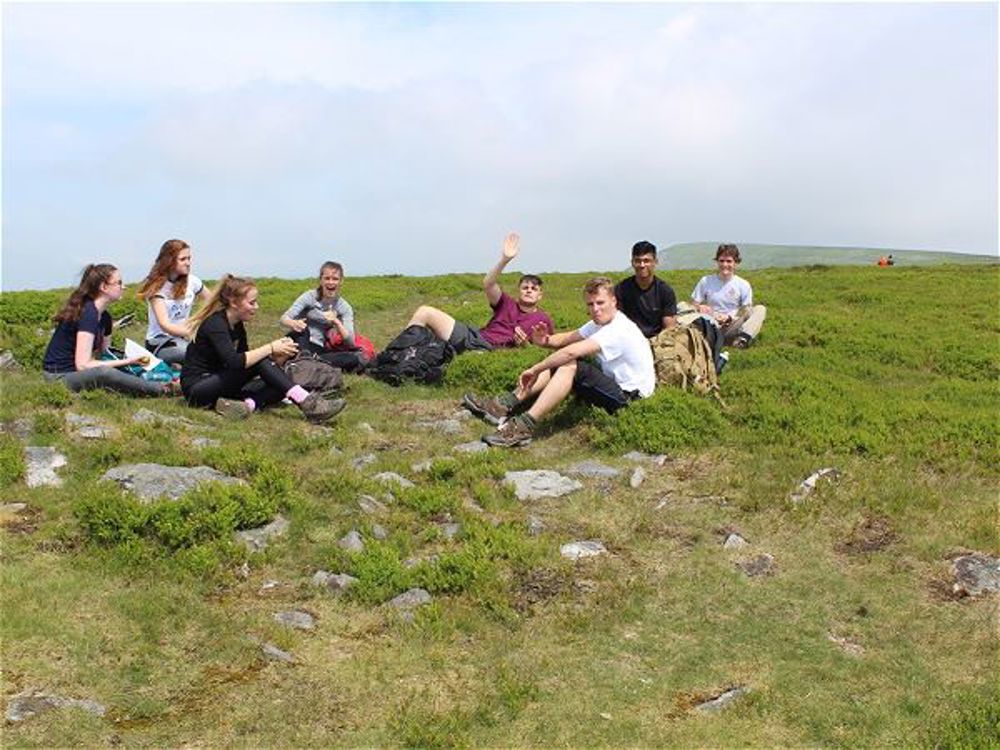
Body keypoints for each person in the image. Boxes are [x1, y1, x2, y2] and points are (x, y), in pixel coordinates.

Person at [463, 277, 655, 447]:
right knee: (559, 362)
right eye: (590, 304)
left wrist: (536, 368)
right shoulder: (599, 322)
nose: (595, 309)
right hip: (614, 386)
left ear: (614, 301)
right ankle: (502, 405)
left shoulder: (619, 328)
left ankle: (524, 426)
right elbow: (566, 339)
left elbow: (571, 352)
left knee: (569, 364)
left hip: (631, 399)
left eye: (600, 302)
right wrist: (544, 340)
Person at [181, 275, 346, 422]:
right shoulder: (215, 324)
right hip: (198, 389)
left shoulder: (237, 325)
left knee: (282, 384)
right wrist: (270, 348)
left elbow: (244, 359)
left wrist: (278, 357)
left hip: (219, 383)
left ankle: (247, 406)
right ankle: (308, 403)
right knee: (263, 362)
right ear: (233, 302)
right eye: (252, 302)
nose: (257, 307)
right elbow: (235, 362)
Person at [405, 232, 554, 353]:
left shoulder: (543, 319)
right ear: (519, 291)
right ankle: (396, 354)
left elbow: (546, 349)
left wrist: (525, 346)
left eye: (534, 289)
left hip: (491, 350)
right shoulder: (506, 303)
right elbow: (488, 284)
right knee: (425, 312)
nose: (529, 290)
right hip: (475, 336)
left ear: (540, 295)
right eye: (525, 287)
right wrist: (504, 260)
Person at [42, 264, 171, 396]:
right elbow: (82, 365)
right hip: (60, 376)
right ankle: (163, 390)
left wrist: (131, 359)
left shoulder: (105, 317)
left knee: (113, 370)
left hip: (78, 373)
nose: (123, 287)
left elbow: (105, 354)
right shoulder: (88, 314)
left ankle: (165, 380)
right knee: (105, 373)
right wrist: (128, 361)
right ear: (104, 287)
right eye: (119, 283)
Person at [279, 261, 367, 371]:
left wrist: (336, 322)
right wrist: (294, 323)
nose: (331, 282)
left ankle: (307, 362)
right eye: (327, 278)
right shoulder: (309, 297)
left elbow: (350, 342)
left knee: (352, 358)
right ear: (321, 280)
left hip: (318, 347)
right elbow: (283, 318)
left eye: (335, 279)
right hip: (299, 341)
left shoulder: (344, 307)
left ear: (341, 281)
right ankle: (308, 361)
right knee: (303, 329)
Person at [136, 239, 210, 365]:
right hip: (160, 342)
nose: (188, 263)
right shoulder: (157, 288)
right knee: (195, 354)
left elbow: (212, 302)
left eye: (189, 258)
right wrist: (195, 333)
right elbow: (166, 325)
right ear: (169, 261)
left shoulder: (192, 281)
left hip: (183, 338)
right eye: (183, 259)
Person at [690, 244, 766, 349]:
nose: (725, 265)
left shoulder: (743, 284)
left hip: (732, 326)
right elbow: (693, 305)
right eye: (721, 261)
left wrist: (729, 318)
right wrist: (700, 308)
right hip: (710, 325)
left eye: (729, 261)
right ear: (717, 262)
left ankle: (743, 339)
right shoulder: (706, 281)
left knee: (760, 309)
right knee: (681, 306)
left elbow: (746, 310)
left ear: (736, 263)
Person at [614, 240, 678, 338]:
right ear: (632, 263)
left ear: (655, 262)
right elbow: (615, 322)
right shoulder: (621, 289)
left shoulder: (665, 291)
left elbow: (669, 329)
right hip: (628, 340)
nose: (642, 265)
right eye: (638, 261)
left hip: (657, 341)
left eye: (646, 261)